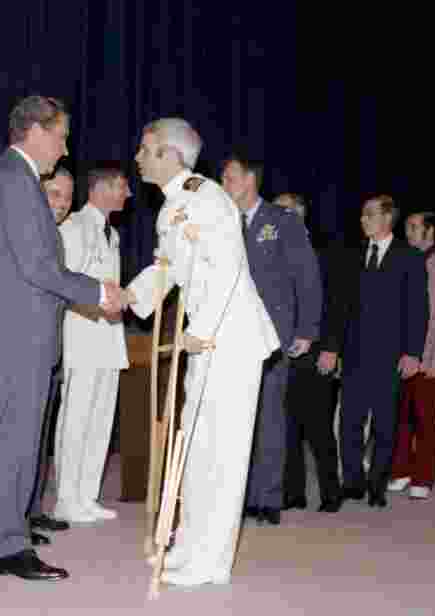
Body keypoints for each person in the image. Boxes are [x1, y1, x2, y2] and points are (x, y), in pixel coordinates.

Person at [0, 96, 123, 582]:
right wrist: (98, 291)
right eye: (60, 135)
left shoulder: (12, 178)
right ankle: (5, 546)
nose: (65, 146)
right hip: (20, 330)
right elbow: (38, 267)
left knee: (10, 438)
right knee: (15, 440)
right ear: (35, 131)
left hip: (16, 327)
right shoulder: (16, 181)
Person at [125, 118, 279, 586]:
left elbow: (228, 267)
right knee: (194, 446)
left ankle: (212, 562)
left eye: (145, 149)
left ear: (171, 155)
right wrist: (128, 296)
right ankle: (190, 544)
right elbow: (167, 268)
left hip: (230, 338)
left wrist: (205, 329)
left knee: (222, 453)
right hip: (206, 339)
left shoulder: (208, 198)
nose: (138, 157)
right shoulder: (171, 206)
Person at [221, 155, 321, 526]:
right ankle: (239, 494)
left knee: (269, 418)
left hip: (273, 337)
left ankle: (267, 497)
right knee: (234, 417)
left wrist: (307, 328)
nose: (224, 182)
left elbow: (306, 277)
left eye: (229, 176)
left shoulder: (283, 222)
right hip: (230, 335)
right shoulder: (224, 221)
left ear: (249, 180)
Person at [51, 164, 131, 523]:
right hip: (82, 337)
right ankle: (67, 498)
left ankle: (87, 495)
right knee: (77, 418)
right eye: (122, 187)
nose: (128, 195)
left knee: (100, 420)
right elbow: (65, 284)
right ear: (101, 188)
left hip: (108, 340)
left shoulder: (111, 234)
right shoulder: (76, 227)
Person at [338, 195, 428, 509]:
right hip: (354, 356)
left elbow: (418, 309)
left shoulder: (409, 257)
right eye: (362, 215)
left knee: (385, 425)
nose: (362, 220)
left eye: (368, 215)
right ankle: (352, 482)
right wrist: (335, 349)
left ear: (386, 218)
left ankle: (377, 485)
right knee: (349, 422)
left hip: (391, 357)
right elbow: (343, 307)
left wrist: (413, 353)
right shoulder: (354, 254)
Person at [275, 193, 344, 514]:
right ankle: (293, 493)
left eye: (287, 211)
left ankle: (331, 492)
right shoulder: (269, 253)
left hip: (317, 351)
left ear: (301, 216)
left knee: (318, 428)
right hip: (280, 354)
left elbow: (336, 305)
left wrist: (331, 347)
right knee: (286, 428)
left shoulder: (323, 253)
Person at [387, 212, 435, 500]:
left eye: (414, 227)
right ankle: (402, 470)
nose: (408, 231)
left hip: (430, 357)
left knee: (424, 421)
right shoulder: (402, 258)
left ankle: (424, 476)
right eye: (406, 226)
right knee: (400, 417)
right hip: (400, 354)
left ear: (431, 231)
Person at [24, 167, 77, 545]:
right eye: (54, 194)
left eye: (66, 198)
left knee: (38, 438)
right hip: (24, 347)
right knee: (21, 440)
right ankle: (14, 520)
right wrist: (99, 293)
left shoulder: (51, 234)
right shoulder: (29, 230)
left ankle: (30, 509)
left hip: (48, 346)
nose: (60, 204)